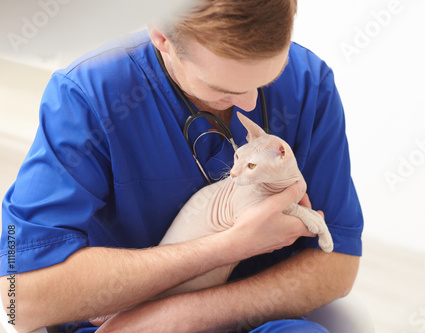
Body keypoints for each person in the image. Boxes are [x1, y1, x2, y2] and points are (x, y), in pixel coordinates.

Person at [0, 0, 364, 332]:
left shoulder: (308, 83)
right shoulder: (90, 94)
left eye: (267, 77)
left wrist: (180, 316)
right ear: (161, 35)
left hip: (254, 319)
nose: (250, 104)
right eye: (221, 87)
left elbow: (338, 263)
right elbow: (19, 298)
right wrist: (227, 247)